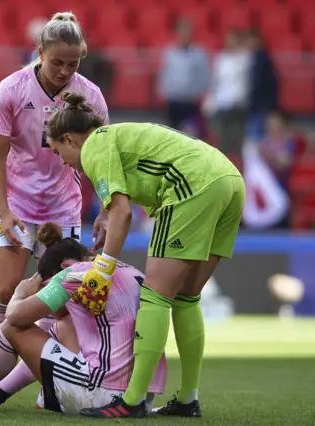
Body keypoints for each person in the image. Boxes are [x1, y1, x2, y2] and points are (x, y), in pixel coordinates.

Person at [45, 92, 245, 418]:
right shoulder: (114, 136)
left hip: (192, 185)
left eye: (58, 151)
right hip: (229, 180)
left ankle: (132, 400)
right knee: (186, 297)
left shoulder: (94, 145)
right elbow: (119, 205)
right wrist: (106, 212)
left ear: (69, 139)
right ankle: (188, 399)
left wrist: (103, 270)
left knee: (155, 296)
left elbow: (123, 214)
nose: (63, 160)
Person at [0, 10, 109, 396]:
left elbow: (103, 158)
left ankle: (52, 377)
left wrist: (105, 207)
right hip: (16, 204)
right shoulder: (11, 90)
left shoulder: (90, 96)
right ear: (39, 51)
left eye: (73, 64)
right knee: (5, 290)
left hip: (63, 206)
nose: (64, 71)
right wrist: (3, 212)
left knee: (61, 303)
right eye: (57, 62)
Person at [0, 223, 166, 416]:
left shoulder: (73, 272)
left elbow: (15, 316)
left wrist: (20, 294)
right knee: (63, 325)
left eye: (46, 287)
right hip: (140, 398)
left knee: (13, 326)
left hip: (102, 395)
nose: (51, 304)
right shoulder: (128, 270)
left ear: (65, 265)